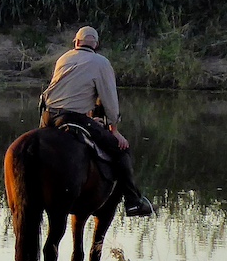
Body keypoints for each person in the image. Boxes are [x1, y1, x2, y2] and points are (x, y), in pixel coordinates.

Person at [39, 26, 155, 217]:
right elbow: (109, 100)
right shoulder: (101, 62)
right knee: (121, 150)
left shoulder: (64, 58)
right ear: (96, 45)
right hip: (73, 118)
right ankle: (133, 201)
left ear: (76, 43)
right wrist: (114, 128)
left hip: (47, 116)